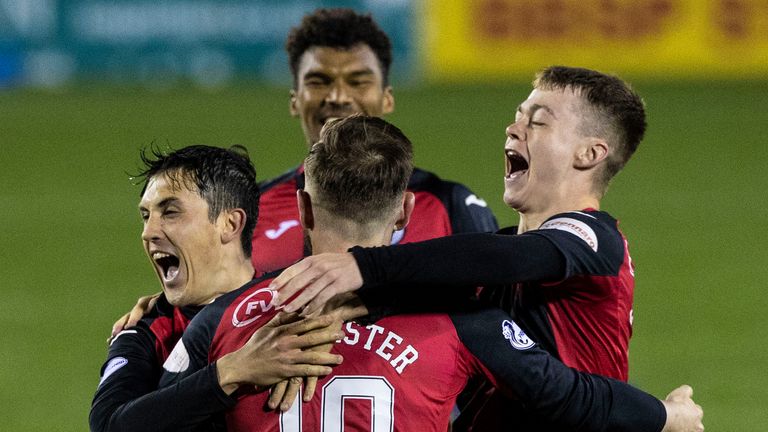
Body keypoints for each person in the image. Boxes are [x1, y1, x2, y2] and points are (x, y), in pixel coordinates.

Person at [158, 115, 703, 432]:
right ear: (404, 214)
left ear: (300, 207)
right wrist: (665, 415)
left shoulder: (231, 316)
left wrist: (178, 354)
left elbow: (131, 421)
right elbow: (570, 395)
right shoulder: (464, 321)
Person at [272, 65, 644, 381]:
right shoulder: (504, 256)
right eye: (517, 118)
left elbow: (505, 258)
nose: (513, 130)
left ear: (590, 153)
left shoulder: (595, 240)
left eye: (538, 122)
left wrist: (364, 265)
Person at [89, 145, 343, 432]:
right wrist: (233, 371)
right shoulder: (148, 330)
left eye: (170, 212)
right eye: (146, 216)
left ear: (230, 224)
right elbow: (109, 425)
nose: (149, 232)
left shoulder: (298, 304)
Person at [249, 7, 498, 274]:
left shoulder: (449, 205)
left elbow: (494, 305)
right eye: (318, 81)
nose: (338, 96)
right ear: (295, 100)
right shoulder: (253, 208)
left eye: (358, 82)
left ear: (387, 98)